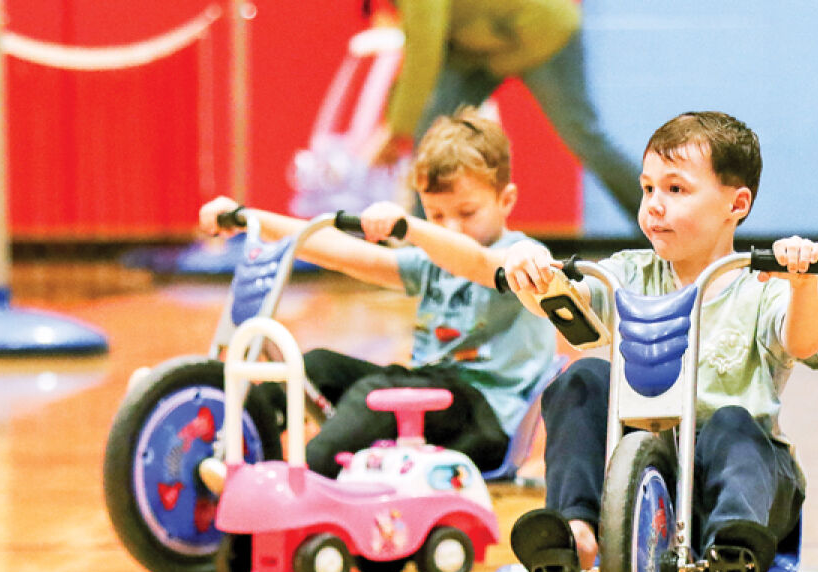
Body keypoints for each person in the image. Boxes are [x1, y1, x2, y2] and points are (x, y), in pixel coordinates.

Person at [500, 110, 818, 572]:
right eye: (648, 187)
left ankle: (734, 551)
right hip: (649, 479)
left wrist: (802, 282)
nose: (654, 205)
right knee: (583, 378)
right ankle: (575, 537)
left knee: (731, 423)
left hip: (742, 488)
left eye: (676, 189)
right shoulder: (630, 272)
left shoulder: (757, 285)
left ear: (735, 204)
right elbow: (575, 305)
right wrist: (534, 275)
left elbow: (803, 340)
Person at [199, 106, 557, 478]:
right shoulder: (430, 262)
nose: (452, 227)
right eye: (436, 215)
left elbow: (495, 260)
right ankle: (231, 455)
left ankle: (301, 480)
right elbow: (340, 252)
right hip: (429, 397)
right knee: (317, 366)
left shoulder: (517, 259)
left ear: (506, 201)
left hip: (485, 421)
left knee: (380, 391)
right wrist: (248, 218)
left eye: (467, 213)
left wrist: (414, 228)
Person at [367, 0, 641, 219]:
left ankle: (657, 221)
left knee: (584, 138)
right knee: (431, 133)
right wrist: (397, 123)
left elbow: (424, 53)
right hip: (486, 49)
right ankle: (426, 251)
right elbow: (429, 57)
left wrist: (398, 130)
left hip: (543, 31)